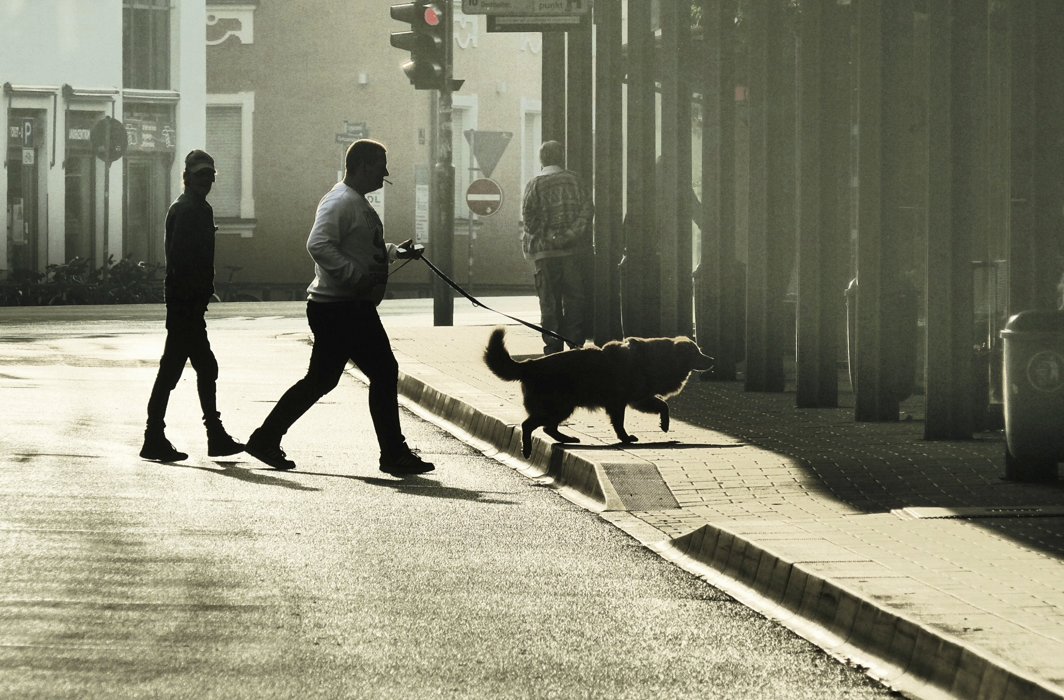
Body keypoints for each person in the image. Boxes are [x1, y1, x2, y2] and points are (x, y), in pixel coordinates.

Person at [244, 139, 433, 475]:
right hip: (342, 307)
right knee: (382, 372)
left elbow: (359, 245)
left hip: (343, 306)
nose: (386, 173)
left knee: (322, 379)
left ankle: (266, 438)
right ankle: (393, 453)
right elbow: (318, 243)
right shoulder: (341, 201)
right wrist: (354, 277)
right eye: (381, 165)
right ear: (362, 166)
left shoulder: (354, 203)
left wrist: (394, 252)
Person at [140, 149, 244, 462]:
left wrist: (202, 293)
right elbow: (184, 260)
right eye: (200, 175)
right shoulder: (189, 210)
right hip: (185, 303)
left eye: (210, 176)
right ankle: (156, 437)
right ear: (187, 177)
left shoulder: (196, 207)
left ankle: (211, 435)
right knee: (175, 370)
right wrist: (195, 296)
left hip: (188, 301)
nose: (206, 181)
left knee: (198, 367)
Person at [521, 140, 594, 354]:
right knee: (574, 299)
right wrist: (570, 234)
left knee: (549, 302)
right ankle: (575, 346)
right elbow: (587, 210)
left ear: (542, 159)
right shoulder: (575, 181)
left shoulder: (534, 184)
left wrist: (550, 235)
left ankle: (553, 348)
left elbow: (528, 219)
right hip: (572, 252)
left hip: (545, 254)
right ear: (562, 157)